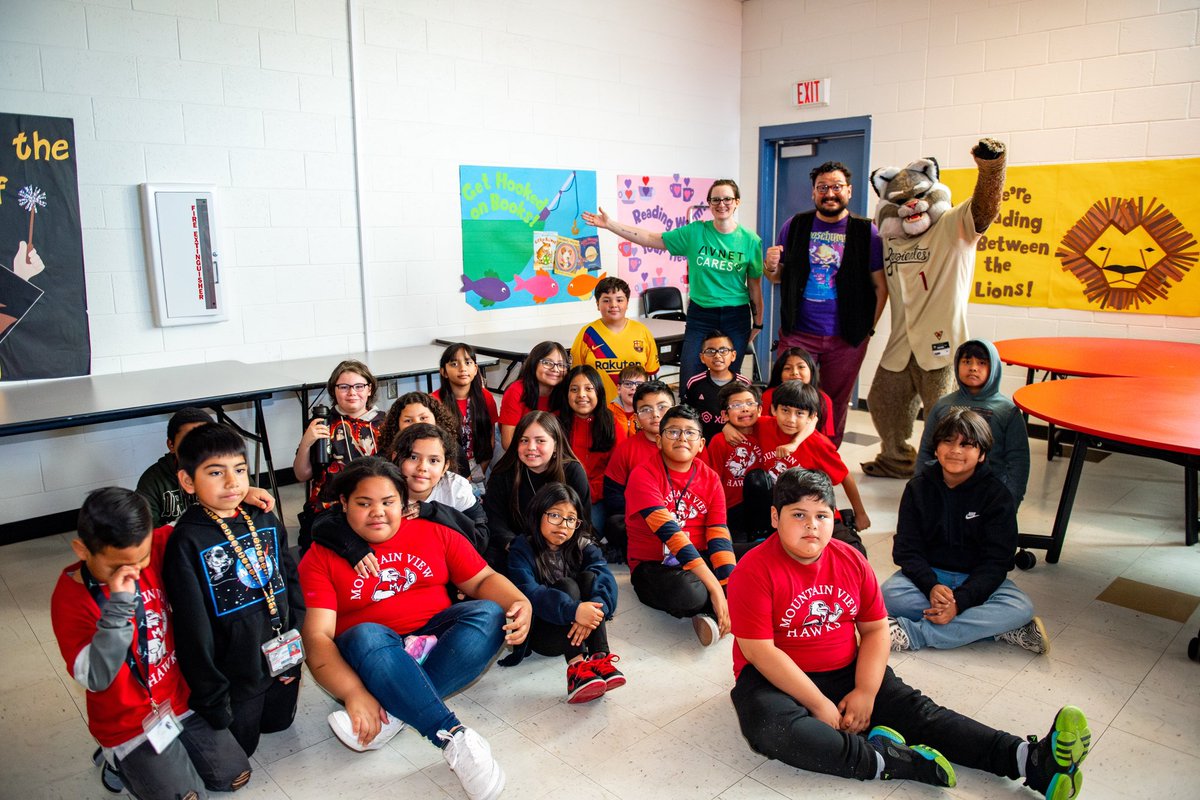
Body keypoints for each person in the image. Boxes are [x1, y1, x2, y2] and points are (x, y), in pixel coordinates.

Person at [727, 468, 1090, 797]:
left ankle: (1028, 759)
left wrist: (866, 692)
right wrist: (818, 704)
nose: (812, 525)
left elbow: (874, 630)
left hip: (845, 669)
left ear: (832, 519)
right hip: (773, 679)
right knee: (770, 730)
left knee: (922, 715)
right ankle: (887, 760)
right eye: (799, 515)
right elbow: (761, 652)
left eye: (821, 516)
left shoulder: (851, 559)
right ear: (775, 518)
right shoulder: (753, 570)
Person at [298, 458, 531, 800]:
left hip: (433, 642)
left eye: (388, 502)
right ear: (344, 503)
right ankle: (450, 733)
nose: (377, 512)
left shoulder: (433, 530)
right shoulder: (321, 556)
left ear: (403, 501)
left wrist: (520, 601)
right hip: (372, 656)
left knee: (490, 614)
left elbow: (482, 579)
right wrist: (353, 693)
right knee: (366, 633)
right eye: (364, 503)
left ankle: (395, 708)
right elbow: (317, 637)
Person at [52, 488, 252, 800]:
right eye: (117, 566)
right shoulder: (70, 600)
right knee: (186, 797)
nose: (132, 572)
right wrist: (117, 606)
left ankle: (166, 758)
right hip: (128, 723)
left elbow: (193, 522)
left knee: (234, 774)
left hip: (179, 700)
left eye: (141, 559)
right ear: (82, 550)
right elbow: (95, 677)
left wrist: (238, 495)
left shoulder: (153, 544)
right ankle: (116, 760)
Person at [162, 423, 303, 758]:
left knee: (279, 725)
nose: (231, 482)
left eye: (240, 470)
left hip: (281, 655)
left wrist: (295, 642)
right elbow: (192, 627)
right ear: (187, 481)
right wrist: (213, 693)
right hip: (234, 676)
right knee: (244, 748)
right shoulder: (187, 540)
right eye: (215, 472)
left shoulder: (264, 517)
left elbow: (291, 581)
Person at [885, 409, 1047, 654]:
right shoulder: (917, 488)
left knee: (1020, 607)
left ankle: (913, 633)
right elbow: (907, 550)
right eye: (948, 441)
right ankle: (999, 629)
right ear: (936, 448)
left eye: (967, 444)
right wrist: (931, 586)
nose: (956, 450)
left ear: (982, 454)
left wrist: (961, 601)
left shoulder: (997, 496)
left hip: (976, 579)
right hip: (931, 577)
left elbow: (997, 562)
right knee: (887, 595)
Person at [583, 179, 764, 384]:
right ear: (709, 203)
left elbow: (755, 286)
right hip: (701, 313)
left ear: (737, 202)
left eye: (727, 199)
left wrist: (758, 323)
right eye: (715, 199)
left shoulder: (751, 240)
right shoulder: (695, 232)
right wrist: (610, 225)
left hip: (736, 314)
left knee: (729, 377)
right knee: (691, 374)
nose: (721, 204)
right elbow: (652, 238)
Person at [763, 161, 886, 446]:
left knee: (833, 402)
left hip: (846, 337)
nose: (829, 193)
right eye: (822, 188)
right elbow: (777, 277)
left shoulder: (867, 232)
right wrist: (769, 266)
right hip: (798, 332)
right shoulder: (794, 226)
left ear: (849, 191)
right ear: (813, 193)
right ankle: (785, 457)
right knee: (787, 396)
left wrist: (868, 329)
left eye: (836, 187)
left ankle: (823, 460)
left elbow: (881, 286)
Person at [501, 483, 624, 703]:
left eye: (570, 519)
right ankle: (576, 668)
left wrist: (592, 612)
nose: (563, 525)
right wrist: (574, 611)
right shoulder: (521, 549)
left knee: (592, 579)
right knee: (568, 586)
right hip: (544, 633)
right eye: (555, 515)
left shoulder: (582, 544)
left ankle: (599, 659)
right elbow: (529, 593)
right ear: (538, 514)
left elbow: (606, 578)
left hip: (579, 625)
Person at [625, 405, 735, 647]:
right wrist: (717, 589)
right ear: (658, 440)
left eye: (690, 433)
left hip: (699, 556)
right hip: (655, 567)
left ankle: (722, 606)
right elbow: (671, 536)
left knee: (754, 560)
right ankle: (717, 607)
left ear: (701, 444)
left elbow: (717, 533)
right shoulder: (643, 475)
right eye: (673, 432)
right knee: (690, 592)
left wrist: (728, 583)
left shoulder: (711, 478)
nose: (682, 438)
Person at [314, 423, 490, 571]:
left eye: (434, 460)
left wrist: (433, 511)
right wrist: (352, 547)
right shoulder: (382, 483)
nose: (423, 467)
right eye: (413, 457)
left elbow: (481, 537)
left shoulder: (455, 488)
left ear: (446, 466)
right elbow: (321, 525)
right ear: (396, 457)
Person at [721, 381, 871, 553]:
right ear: (773, 410)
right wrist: (727, 426)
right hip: (779, 514)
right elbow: (742, 419)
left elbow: (846, 477)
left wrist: (860, 514)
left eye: (799, 413)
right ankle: (761, 537)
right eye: (785, 410)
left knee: (854, 551)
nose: (790, 419)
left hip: (814, 512)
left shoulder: (818, 444)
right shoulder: (764, 426)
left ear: (811, 417)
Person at [916, 339, 1030, 506]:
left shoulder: (1007, 411)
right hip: (945, 488)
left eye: (982, 362)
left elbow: (1018, 460)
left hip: (989, 493)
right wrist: (921, 488)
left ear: (994, 368)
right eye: (967, 361)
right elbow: (927, 448)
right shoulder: (943, 405)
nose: (973, 368)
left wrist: (1010, 499)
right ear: (957, 364)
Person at [483, 411, 591, 573]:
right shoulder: (503, 473)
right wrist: (520, 548)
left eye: (540, 441)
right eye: (524, 440)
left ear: (555, 444)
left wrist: (552, 550)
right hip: (515, 548)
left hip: (560, 550)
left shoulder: (572, 471)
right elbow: (495, 522)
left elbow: (583, 522)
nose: (531, 447)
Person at [293, 360, 384, 549]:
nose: (352, 393)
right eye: (344, 387)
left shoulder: (385, 423)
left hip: (375, 503)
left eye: (359, 386)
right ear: (334, 390)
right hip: (329, 507)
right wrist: (307, 442)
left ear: (370, 389)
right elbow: (302, 475)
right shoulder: (322, 423)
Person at [136, 407, 275, 527]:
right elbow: (142, 532)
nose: (199, 447)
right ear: (171, 445)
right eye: (189, 441)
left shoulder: (231, 475)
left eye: (206, 440)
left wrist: (244, 494)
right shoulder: (153, 480)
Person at [601, 380, 675, 560]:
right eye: (646, 409)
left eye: (662, 407)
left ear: (674, 408)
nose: (655, 414)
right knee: (614, 524)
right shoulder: (626, 449)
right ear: (636, 417)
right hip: (642, 519)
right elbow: (613, 494)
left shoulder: (689, 443)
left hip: (683, 515)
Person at [552, 365, 626, 534]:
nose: (581, 395)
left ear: (598, 392)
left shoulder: (612, 423)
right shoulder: (554, 422)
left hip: (598, 498)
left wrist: (589, 492)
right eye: (574, 389)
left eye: (589, 388)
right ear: (566, 394)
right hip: (562, 496)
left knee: (584, 531)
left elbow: (617, 469)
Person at [702, 383, 772, 553]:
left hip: (763, 505)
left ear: (760, 409)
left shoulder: (766, 430)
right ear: (724, 415)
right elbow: (714, 479)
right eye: (737, 405)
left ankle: (760, 537)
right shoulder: (720, 441)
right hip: (732, 508)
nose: (745, 409)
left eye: (750, 403)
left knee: (758, 478)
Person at [570, 276, 660, 403]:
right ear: (597, 304)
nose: (613, 305)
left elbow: (650, 372)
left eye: (619, 300)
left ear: (627, 303)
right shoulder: (588, 334)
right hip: (599, 408)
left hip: (634, 408)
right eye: (606, 300)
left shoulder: (642, 332)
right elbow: (576, 375)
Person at [434, 343, 498, 495]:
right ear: (443, 372)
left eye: (468, 363)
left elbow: (490, 440)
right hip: (447, 468)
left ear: (475, 369)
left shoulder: (486, 397)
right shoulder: (434, 401)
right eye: (454, 364)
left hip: (479, 465)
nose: (462, 368)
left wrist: (476, 474)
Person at [498, 340, 569, 450]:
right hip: (517, 452)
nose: (555, 369)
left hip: (547, 453)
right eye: (547, 363)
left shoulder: (566, 391)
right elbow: (508, 443)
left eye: (561, 365)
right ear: (534, 363)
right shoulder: (516, 391)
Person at [684, 329, 752, 443]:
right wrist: (722, 427)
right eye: (710, 351)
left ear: (733, 355)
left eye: (723, 350)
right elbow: (688, 415)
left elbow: (749, 416)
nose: (717, 355)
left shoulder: (744, 384)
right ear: (702, 357)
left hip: (735, 442)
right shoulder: (694, 383)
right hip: (704, 443)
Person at [761, 347, 836, 443]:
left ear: (811, 371)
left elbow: (825, 438)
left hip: (809, 448)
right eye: (787, 368)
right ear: (779, 373)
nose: (795, 373)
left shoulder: (823, 399)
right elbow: (763, 430)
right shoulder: (769, 395)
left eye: (801, 367)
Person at [376, 390, 460, 461]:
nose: (417, 424)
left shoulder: (453, 450)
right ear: (397, 425)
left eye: (423, 418)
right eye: (408, 420)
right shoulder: (383, 459)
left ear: (437, 420)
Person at [608, 363, 647, 437]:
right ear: (619, 389)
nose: (633, 388)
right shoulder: (607, 412)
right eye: (628, 384)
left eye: (639, 384)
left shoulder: (650, 413)